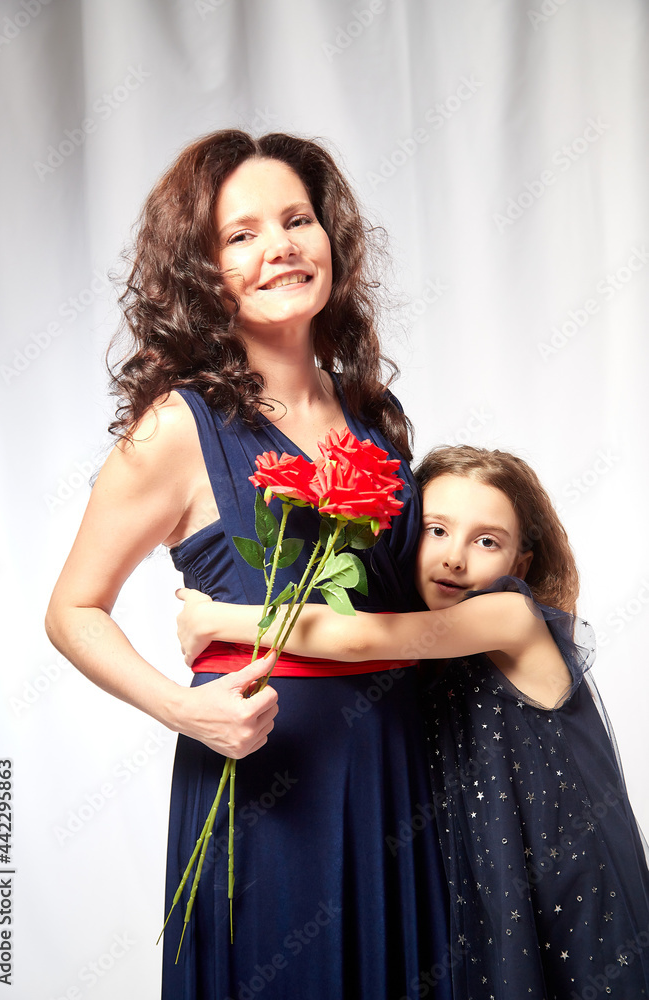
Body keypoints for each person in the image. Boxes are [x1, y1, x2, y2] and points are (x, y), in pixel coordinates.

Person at [45, 129, 453, 1000]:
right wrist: (182, 709)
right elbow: (72, 610)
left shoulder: (375, 413)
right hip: (266, 786)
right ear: (203, 270)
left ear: (330, 238)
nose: (282, 247)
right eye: (242, 234)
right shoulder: (176, 428)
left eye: (297, 220)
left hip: (396, 773)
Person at [178, 444, 649, 999]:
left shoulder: (510, 616)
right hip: (491, 877)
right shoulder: (428, 657)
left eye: (487, 541)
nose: (455, 558)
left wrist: (214, 618)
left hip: (567, 876)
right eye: (437, 530)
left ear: (520, 564)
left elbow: (358, 637)